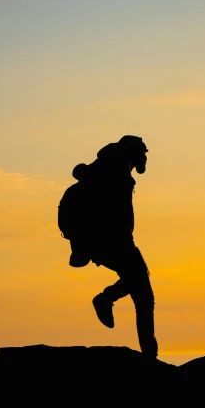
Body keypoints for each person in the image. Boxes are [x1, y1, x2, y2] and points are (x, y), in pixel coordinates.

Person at [68, 135, 158, 360]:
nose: (145, 158)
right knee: (144, 295)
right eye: (143, 153)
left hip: (105, 241)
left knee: (140, 287)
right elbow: (111, 207)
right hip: (113, 240)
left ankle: (107, 299)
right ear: (133, 151)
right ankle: (149, 357)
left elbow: (81, 174)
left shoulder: (110, 166)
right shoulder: (116, 168)